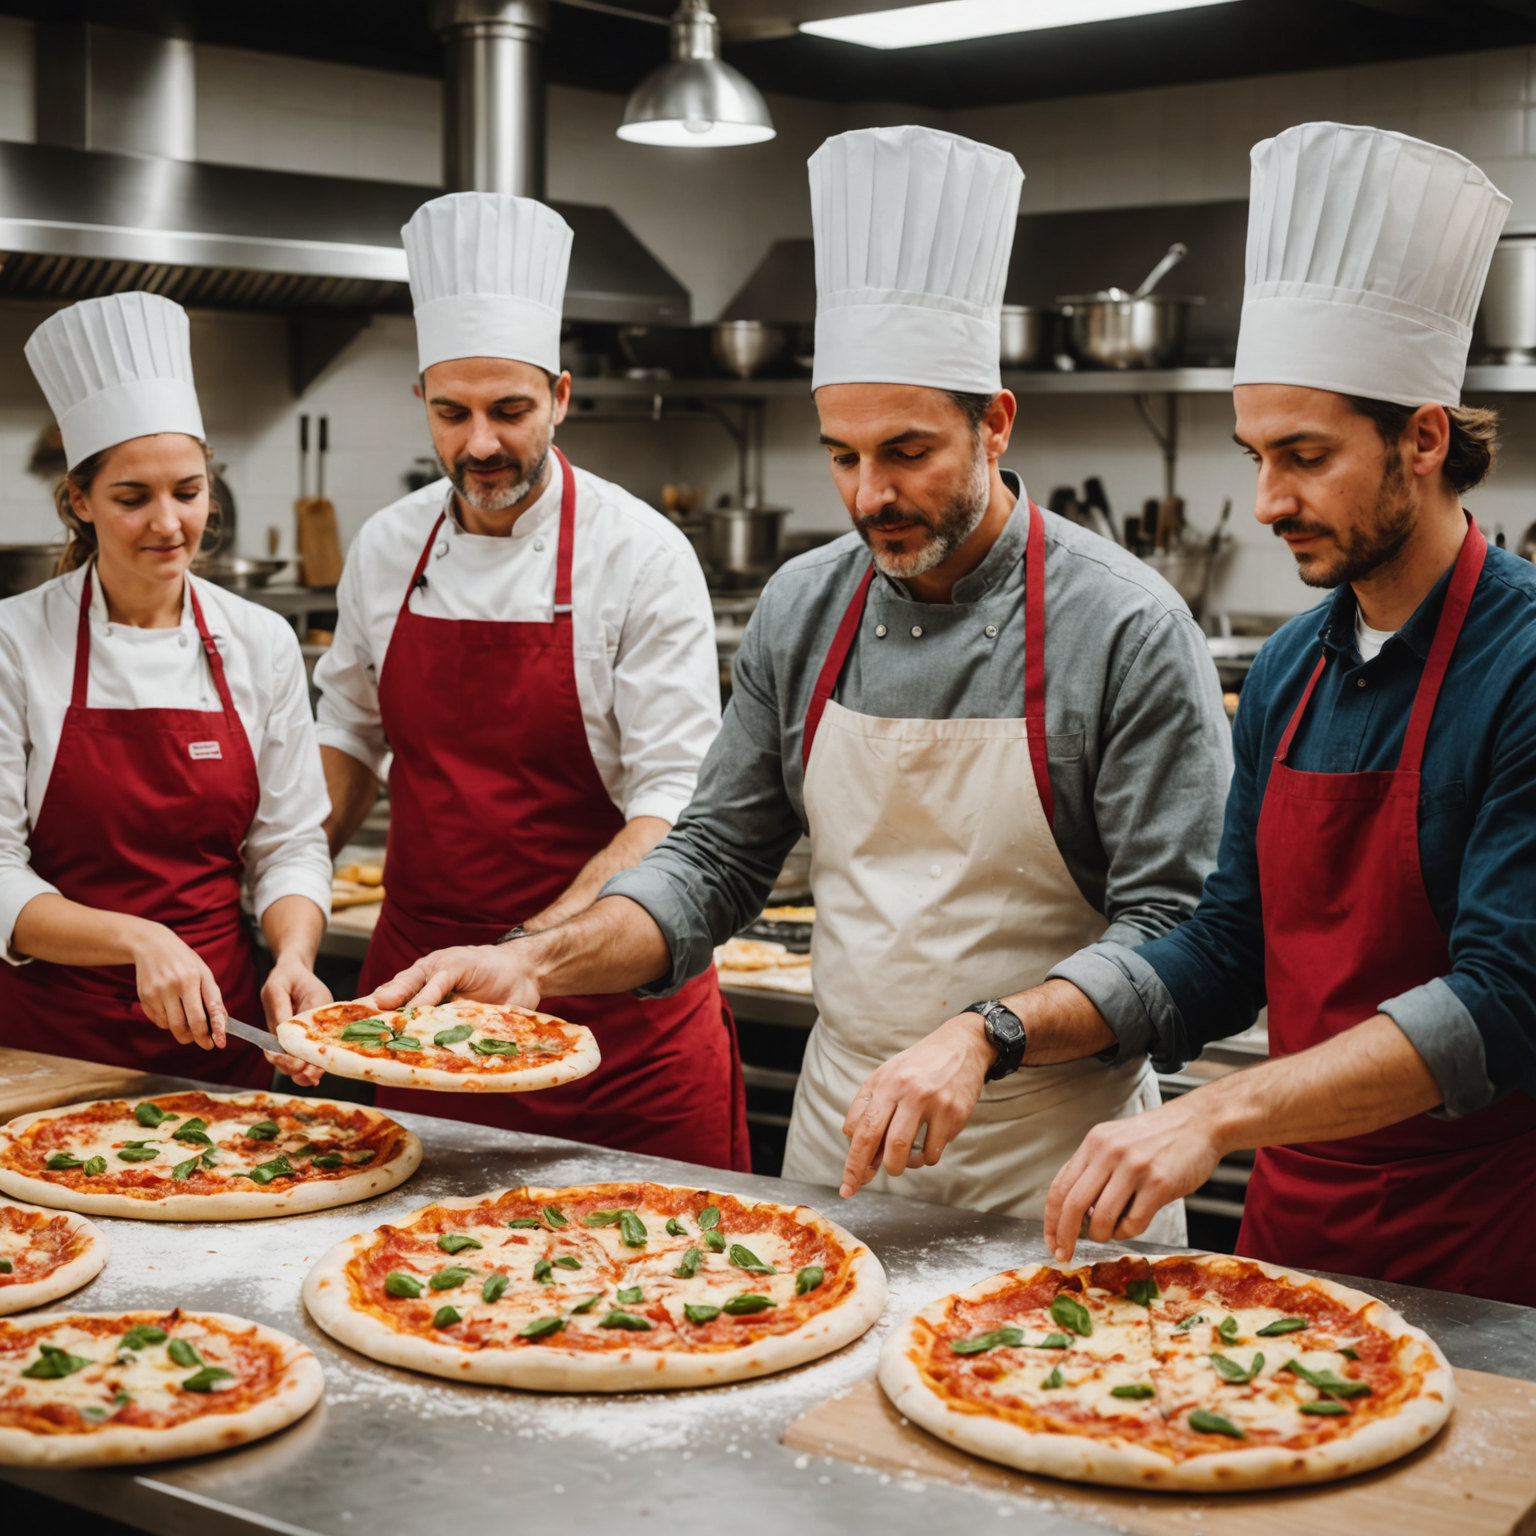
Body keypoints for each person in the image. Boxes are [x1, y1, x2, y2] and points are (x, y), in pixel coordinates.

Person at [371, 128, 1232, 1227]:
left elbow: (1180, 933)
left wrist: (988, 1034)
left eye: (907, 452)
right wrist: (540, 962)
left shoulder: (1126, 626)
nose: (870, 496)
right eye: (841, 455)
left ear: (995, 424)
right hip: (842, 1133)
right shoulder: (806, 604)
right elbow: (713, 861)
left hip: (1058, 1155)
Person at [1032, 122, 1536, 1308]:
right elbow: (1230, 944)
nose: (1266, 501)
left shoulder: (1521, 665)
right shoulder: (1294, 665)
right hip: (1292, 1221)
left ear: (1423, 439)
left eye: (1304, 456)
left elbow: (1507, 1001)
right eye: (1255, 455)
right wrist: (1007, 1028)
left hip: (1487, 1244)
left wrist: (1216, 1113)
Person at [314, 192, 746, 1169]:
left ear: (560, 396)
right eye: (451, 413)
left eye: (509, 411)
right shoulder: (386, 547)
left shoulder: (640, 555)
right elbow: (348, 730)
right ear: (422, 400)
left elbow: (673, 801)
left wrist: (527, 953)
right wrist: (281, 897)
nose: (479, 444)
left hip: (612, 1016)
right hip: (418, 1009)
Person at [0, 291, 332, 1086]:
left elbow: (289, 844)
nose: (168, 523)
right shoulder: (14, 640)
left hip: (222, 1035)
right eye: (132, 498)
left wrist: (294, 956)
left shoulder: (260, 640)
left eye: (187, 492)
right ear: (79, 501)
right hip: (51, 1048)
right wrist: (138, 938)